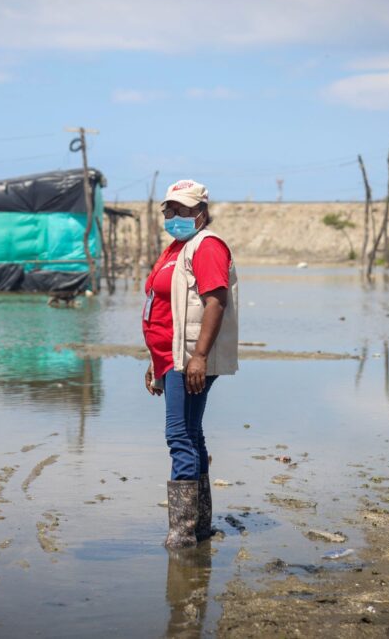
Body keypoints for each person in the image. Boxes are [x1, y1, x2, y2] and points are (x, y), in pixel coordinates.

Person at [142, 179, 239, 549]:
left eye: (183, 209)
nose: (174, 216)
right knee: (191, 434)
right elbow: (163, 307)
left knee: (179, 435)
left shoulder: (206, 246)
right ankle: (198, 528)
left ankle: (182, 533)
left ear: (200, 212)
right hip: (170, 357)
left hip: (188, 359)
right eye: (169, 210)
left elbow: (216, 302)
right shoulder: (176, 248)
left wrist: (198, 357)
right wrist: (154, 361)